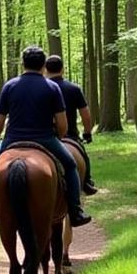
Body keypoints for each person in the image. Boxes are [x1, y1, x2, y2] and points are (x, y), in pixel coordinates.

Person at [0, 45, 92, 228]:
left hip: (12, 139)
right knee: (70, 165)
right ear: (43, 65)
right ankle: (75, 211)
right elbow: (62, 124)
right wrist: (58, 137)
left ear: (23, 63)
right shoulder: (52, 87)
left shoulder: (10, 86)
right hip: (45, 138)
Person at [44, 54, 98, 195]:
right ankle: (86, 182)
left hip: (43, 134)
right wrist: (87, 132)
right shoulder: (73, 88)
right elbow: (85, 115)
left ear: (45, 70)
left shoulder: (41, 88)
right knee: (82, 157)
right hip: (69, 135)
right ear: (62, 69)